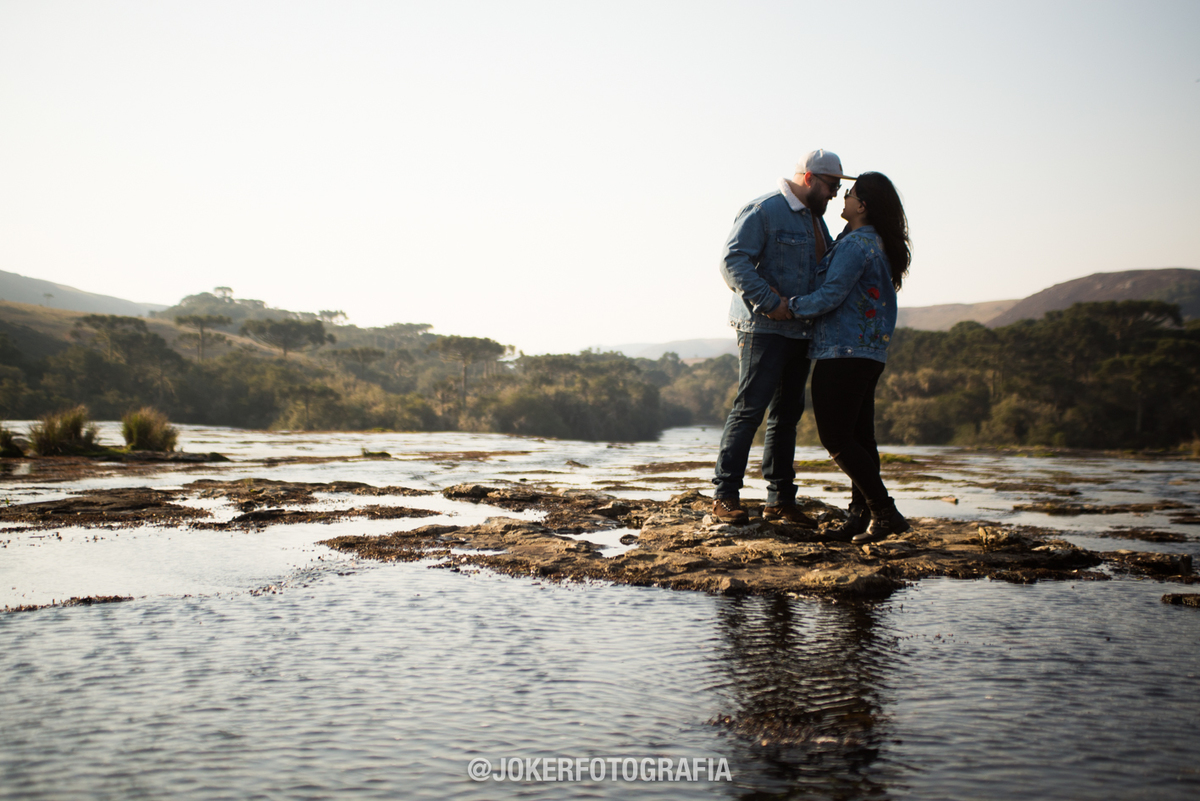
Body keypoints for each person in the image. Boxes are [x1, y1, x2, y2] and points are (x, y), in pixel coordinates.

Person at [711, 150, 853, 525]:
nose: (835, 195)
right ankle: (725, 497)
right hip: (762, 329)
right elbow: (732, 261)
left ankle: (780, 502)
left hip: (800, 332)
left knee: (786, 417)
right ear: (810, 178)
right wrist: (769, 301)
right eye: (832, 186)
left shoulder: (815, 220)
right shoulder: (764, 210)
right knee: (749, 412)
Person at [779, 171, 911, 544]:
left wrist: (787, 306)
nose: (843, 198)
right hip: (868, 353)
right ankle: (861, 515)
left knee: (836, 438)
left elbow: (830, 295)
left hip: (843, 352)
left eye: (850, 194)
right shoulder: (872, 243)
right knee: (860, 437)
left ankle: (884, 512)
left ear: (863, 206)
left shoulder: (856, 247)